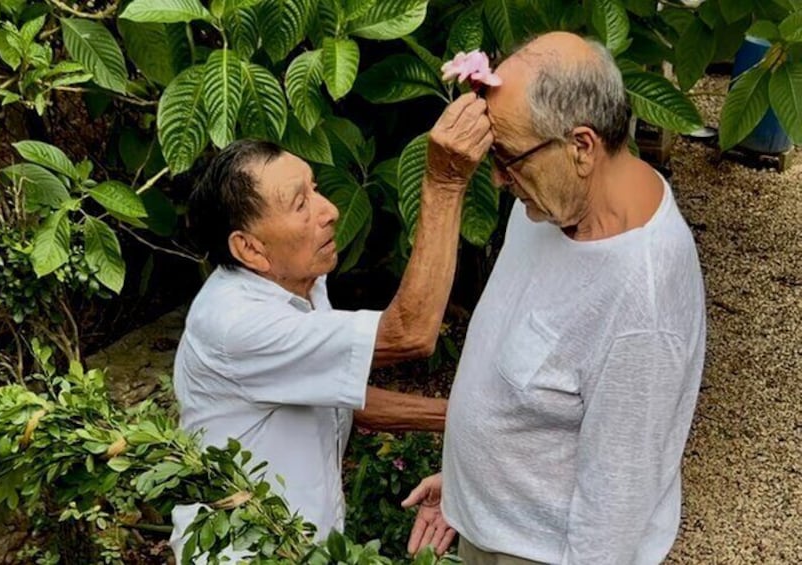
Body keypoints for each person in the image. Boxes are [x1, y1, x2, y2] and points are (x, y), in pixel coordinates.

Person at [403, 32, 706, 565]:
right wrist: (467, 484)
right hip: (493, 526)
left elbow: (612, 516)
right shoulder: (553, 200)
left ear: (582, 146)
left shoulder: (643, 302)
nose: (497, 178)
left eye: (507, 157)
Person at [169, 92, 494, 562]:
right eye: (301, 204)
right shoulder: (237, 324)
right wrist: (443, 183)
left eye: (316, 187)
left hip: (306, 546)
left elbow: (338, 394)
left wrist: (471, 421)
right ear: (250, 249)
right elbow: (411, 333)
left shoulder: (301, 282)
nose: (330, 210)